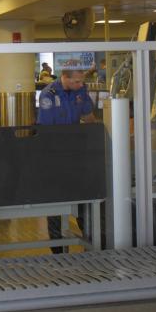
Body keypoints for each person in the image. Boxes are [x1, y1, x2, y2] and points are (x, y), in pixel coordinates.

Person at [37, 68, 95, 252]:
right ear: (64, 77)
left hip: (77, 156)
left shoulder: (81, 91)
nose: (80, 85)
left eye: (81, 81)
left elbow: (88, 117)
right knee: (56, 204)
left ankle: (90, 242)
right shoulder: (48, 95)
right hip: (55, 157)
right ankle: (59, 250)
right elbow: (47, 130)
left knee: (82, 200)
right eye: (76, 82)